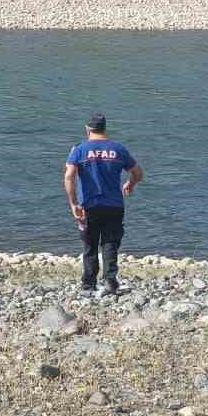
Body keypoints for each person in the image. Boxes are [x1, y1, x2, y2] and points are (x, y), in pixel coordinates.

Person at [63, 113, 143, 296]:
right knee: (110, 243)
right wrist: (130, 184)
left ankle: (88, 285)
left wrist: (73, 202)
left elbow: (69, 177)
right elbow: (138, 173)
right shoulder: (118, 149)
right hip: (114, 205)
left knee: (90, 244)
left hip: (88, 205)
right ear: (105, 128)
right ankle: (110, 281)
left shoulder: (79, 150)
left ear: (87, 129)